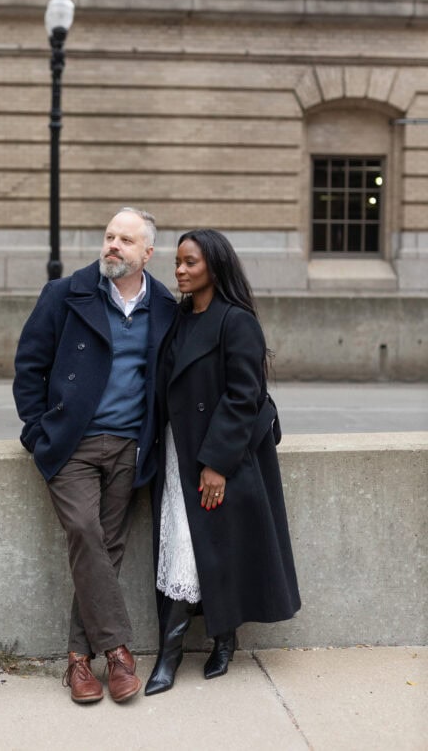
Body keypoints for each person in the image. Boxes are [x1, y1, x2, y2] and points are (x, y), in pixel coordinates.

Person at [13, 207, 176, 704]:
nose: (113, 246)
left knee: (107, 548)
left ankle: (79, 661)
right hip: (72, 444)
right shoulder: (66, 295)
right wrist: (39, 432)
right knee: (85, 531)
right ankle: (120, 652)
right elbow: (29, 365)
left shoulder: (165, 307)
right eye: (109, 236)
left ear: (147, 252)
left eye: (126, 240)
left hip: (130, 446)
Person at [145, 229, 301, 696]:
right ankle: (222, 638)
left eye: (190, 262)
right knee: (194, 542)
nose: (180, 270)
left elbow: (243, 396)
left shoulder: (236, 322)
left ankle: (171, 658)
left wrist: (216, 463)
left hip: (216, 456)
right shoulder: (178, 319)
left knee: (198, 544)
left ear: (214, 265)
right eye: (176, 262)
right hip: (177, 450)